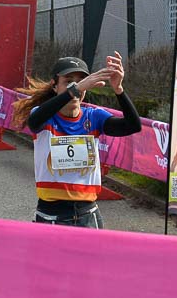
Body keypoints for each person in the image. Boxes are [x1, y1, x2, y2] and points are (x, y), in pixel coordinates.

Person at [11, 52, 141, 228]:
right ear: (55, 86)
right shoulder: (44, 115)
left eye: (81, 82)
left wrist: (119, 89)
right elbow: (34, 122)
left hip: (87, 214)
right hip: (51, 214)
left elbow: (133, 126)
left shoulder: (93, 117)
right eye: (68, 81)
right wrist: (75, 89)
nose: (76, 87)